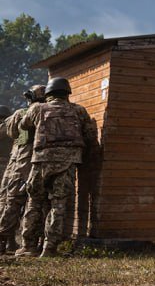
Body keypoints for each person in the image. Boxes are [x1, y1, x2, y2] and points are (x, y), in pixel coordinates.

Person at [17, 78, 98, 256]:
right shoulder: (78, 110)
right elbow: (90, 135)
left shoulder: (38, 108)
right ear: (67, 93)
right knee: (58, 205)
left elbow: (23, 125)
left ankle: (28, 247)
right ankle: (49, 248)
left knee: (34, 202)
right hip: (67, 162)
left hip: (41, 162)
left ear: (48, 94)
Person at [0, 86, 44, 254]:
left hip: (21, 163)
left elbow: (14, 134)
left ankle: (5, 240)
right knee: (32, 203)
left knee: (12, 202)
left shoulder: (22, 113)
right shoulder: (43, 111)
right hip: (36, 162)